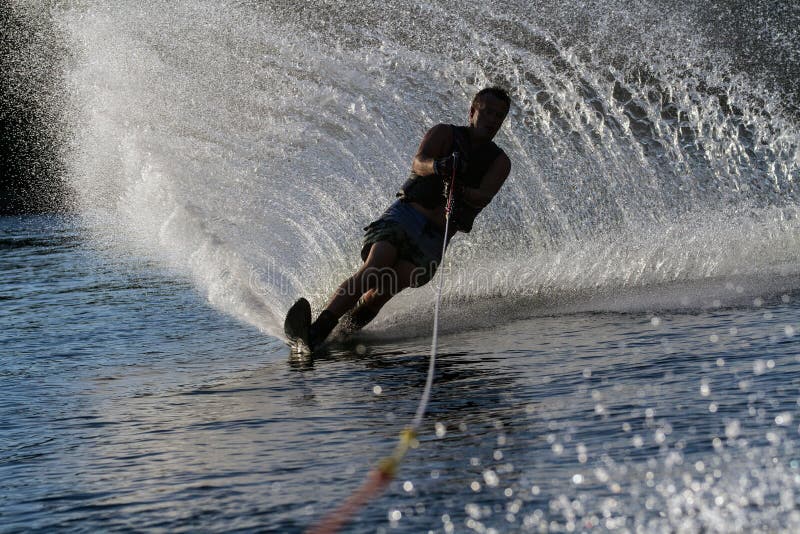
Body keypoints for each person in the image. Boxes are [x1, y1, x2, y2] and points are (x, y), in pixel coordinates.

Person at [291, 87, 512, 350]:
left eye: (499, 116)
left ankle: (343, 333)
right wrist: (438, 166)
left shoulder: (500, 162)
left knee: (383, 291)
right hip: (406, 214)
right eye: (487, 113)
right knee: (376, 267)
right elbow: (419, 163)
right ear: (473, 111)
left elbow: (482, 196)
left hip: (436, 237)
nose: (492, 120)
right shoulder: (445, 133)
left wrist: (460, 189)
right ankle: (317, 331)